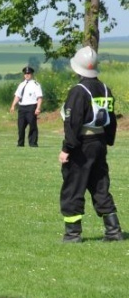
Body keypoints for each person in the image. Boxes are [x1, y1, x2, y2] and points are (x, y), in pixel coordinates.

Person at [59, 46, 122, 243]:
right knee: (100, 186)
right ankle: (113, 231)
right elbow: (111, 119)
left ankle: (72, 234)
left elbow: (73, 123)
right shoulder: (105, 89)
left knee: (73, 187)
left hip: (81, 146)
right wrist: (108, 140)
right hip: (100, 143)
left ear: (77, 67)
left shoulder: (78, 91)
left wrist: (67, 148)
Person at [10, 65, 43, 147]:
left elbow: (39, 97)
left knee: (32, 126)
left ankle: (33, 143)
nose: (27, 75)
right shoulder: (21, 84)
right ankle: (20, 143)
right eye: (25, 74)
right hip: (22, 107)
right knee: (21, 126)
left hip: (31, 107)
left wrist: (38, 108)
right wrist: (13, 105)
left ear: (31, 74)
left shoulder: (36, 85)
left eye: (28, 73)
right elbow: (17, 96)